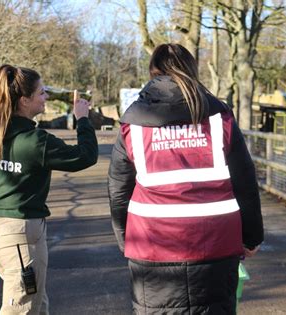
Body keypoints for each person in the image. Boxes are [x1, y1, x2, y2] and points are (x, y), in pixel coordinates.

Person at [108, 43, 263, 314]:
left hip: (151, 244)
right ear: (192, 69)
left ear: (152, 72)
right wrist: (251, 237)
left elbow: (119, 189)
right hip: (215, 243)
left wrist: (126, 239)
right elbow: (245, 182)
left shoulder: (133, 122)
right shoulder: (219, 117)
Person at [0, 64, 98, 315]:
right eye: (41, 93)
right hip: (20, 237)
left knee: (35, 303)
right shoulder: (36, 142)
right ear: (24, 100)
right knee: (20, 309)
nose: (46, 97)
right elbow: (85, 156)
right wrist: (83, 120)